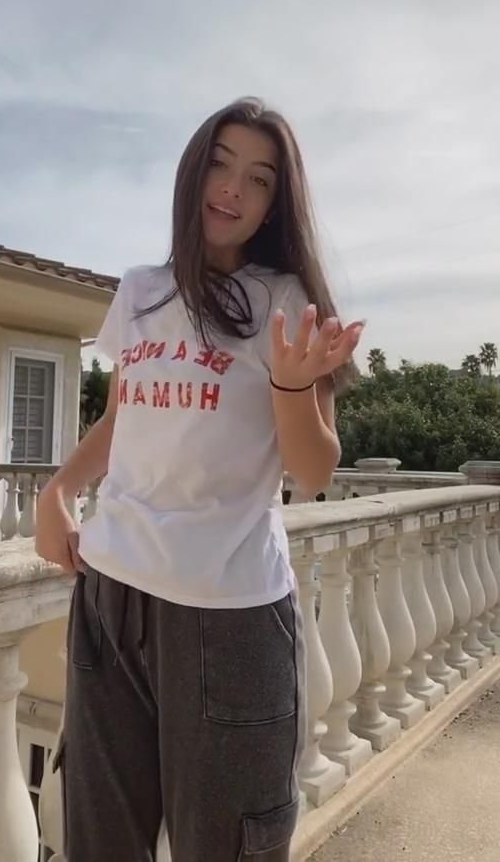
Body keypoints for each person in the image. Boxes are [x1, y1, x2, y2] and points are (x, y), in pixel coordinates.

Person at [36, 97, 364, 862]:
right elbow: (123, 420)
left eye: (259, 179)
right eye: (220, 164)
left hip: (229, 616)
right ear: (193, 171)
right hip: (110, 598)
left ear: (275, 203)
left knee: (225, 847)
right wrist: (57, 491)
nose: (233, 189)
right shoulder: (141, 289)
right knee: (99, 842)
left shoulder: (285, 302)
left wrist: (289, 386)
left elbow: (314, 472)